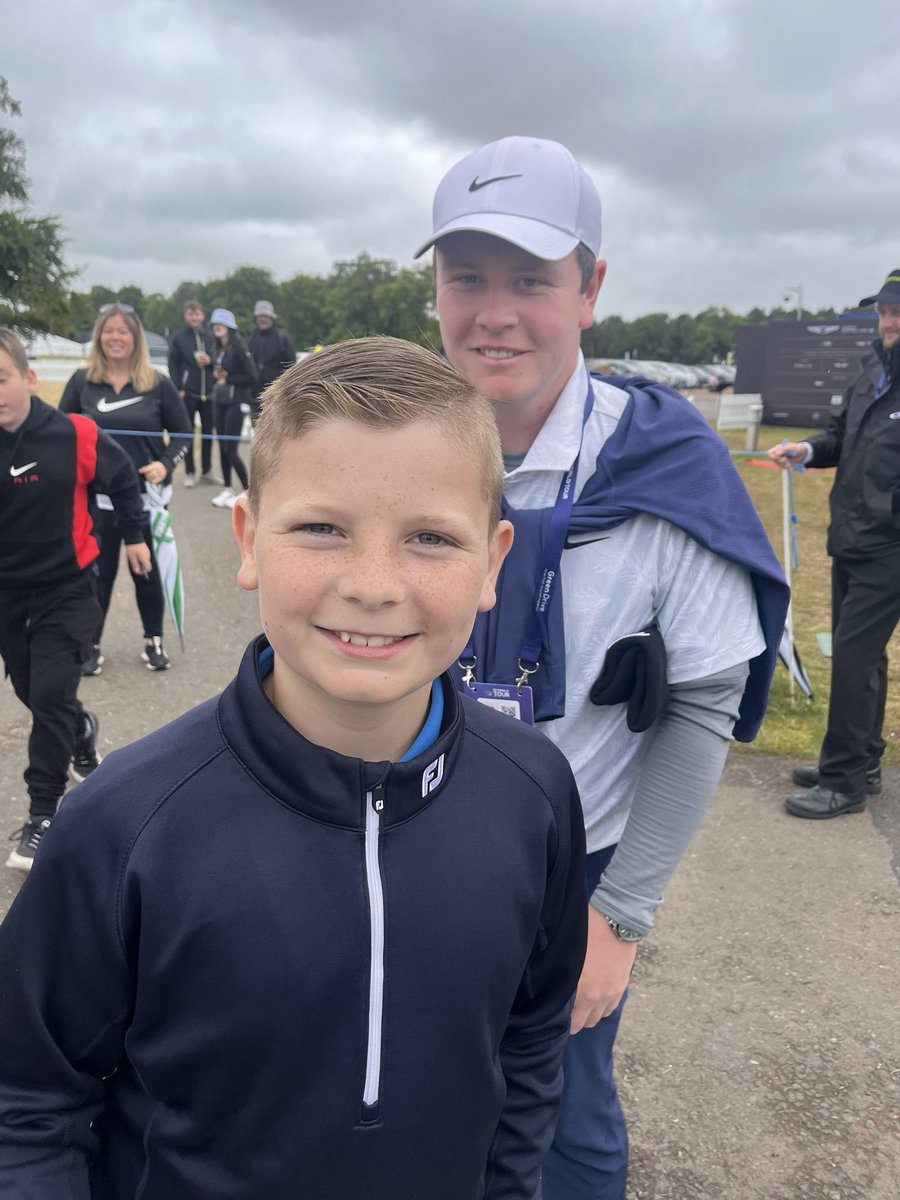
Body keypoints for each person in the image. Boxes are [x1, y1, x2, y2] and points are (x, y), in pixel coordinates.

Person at [0, 336, 587, 1200]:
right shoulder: (124, 826)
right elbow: (27, 1100)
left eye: (430, 538)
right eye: (321, 529)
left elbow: (529, 1039)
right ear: (247, 537)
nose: (375, 584)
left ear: (495, 561)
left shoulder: (533, 795)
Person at [415, 135, 789, 1200]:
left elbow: (706, 702)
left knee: (563, 1117)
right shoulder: (401, 445)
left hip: (569, 868)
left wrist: (620, 917)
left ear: (590, 289)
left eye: (531, 279)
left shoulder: (665, 467)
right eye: (466, 278)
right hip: (408, 827)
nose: (495, 312)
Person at [0, 328, 150, 871]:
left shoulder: (75, 434)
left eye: (1, 378)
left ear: (29, 379)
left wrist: (135, 537)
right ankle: (81, 730)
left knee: (51, 694)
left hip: (68, 588)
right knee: (39, 695)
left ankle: (43, 812)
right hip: (8, 597)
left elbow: (125, 480)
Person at [771, 268, 900, 819]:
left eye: (896, 312)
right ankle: (862, 760)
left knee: (851, 655)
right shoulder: (873, 368)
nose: (888, 321)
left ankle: (843, 780)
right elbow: (841, 437)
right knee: (863, 656)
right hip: (851, 537)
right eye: (884, 310)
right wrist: (807, 449)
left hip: (890, 545)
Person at [60, 304, 190, 674]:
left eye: (123, 332)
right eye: (108, 331)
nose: (115, 338)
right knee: (97, 574)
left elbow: (182, 433)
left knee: (145, 572)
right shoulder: (82, 382)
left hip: (144, 501)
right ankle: (91, 642)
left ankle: (153, 640)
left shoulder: (157, 383)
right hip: (95, 501)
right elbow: (62, 431)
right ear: (99, 337)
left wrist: (164, 464)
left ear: (136, 338)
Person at [209, 307, 257, 509]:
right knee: (221, 446)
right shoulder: (218, 349)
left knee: (231, 448)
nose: (217, 328)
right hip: (219, 400)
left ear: (230, 328)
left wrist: (228, 377)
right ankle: (228, 488)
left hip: (237, 402)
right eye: (215, 325)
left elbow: (251, 377)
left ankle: (248, 491)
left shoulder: (240, 348)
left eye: (222, 324)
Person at [167, 300, 216, 487]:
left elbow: (218, 361)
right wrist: (178, 387)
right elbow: (173, 364)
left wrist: (210, 362)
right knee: (187, 432)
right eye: (190, 314)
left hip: (209, 393)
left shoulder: (210, 337)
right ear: (185, 316)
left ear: (202, 316)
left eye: (197, 314)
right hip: (188, 393)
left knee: (207, 433)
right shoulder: (178, 338)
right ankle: (189, 472)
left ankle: (207, 471)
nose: (194, 317)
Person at [247, 298, 296, 411]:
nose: (263, 319)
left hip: (277, 397)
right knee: (257, 428)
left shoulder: (283, 339)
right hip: (254, 398)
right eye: (260, 316)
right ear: (256, 318)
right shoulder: (251, 340)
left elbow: (291, 367)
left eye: (266, 316)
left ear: (271, 318)